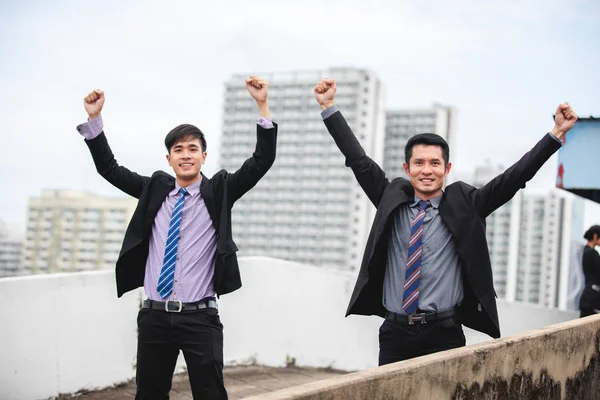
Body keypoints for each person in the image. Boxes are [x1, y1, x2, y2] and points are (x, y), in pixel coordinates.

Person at [313, 78, 578, 365]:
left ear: (447, 168)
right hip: (395, 333)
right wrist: (329, 106)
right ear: (407, 168)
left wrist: (556, 134)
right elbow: (358, 160)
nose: (427, 170)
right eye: (419, 163)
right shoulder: (391, 200)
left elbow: (513, 178)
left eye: (435, 163)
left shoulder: (468, 205)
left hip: (444, 333)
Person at [76, 77, 277, 399]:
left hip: (201, 318)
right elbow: (110, 170)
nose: (186, 154)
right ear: (168, 158)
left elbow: (261, 161)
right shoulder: (153, 189)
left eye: (193, 149)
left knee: (210, 393)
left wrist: (262, 105)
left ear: (203, 157)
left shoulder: (220, 190)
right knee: (150, 394)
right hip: (154, 316)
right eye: (178, 149)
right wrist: (94, 119)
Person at [579, 225, 600, 318]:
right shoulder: (592, 253)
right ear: (595, 236)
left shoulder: (585, 251)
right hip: (593, 299)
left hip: (588, 298)